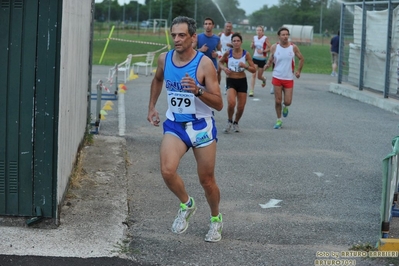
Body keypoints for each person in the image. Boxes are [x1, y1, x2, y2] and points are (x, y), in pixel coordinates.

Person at [147, 16, 224, 243]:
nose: (176, 40)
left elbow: (219, 104)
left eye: (182, 35)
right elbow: (157, 79)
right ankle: (187, 204)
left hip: (201, 127)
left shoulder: (204, 64)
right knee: (167, 170)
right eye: (174, 35)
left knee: (207, 180)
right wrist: (152, 106)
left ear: (193, 37)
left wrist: (198, 91)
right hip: (175, 125)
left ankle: (216, 219)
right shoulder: (164, 59)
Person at [264, 26, 304, 129]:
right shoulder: (274, 47)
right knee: (278, 101)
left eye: (287, 35)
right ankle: (279, 120)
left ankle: (285, 107)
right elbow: (271, 58)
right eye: (283, 35)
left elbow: (301, 58)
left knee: (288, 101)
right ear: (279, 36)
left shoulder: (293, 47)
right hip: (277, 76)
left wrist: (298, 71)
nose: (285, 37)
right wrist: (267, 64)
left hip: (288, 78)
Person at [218, 32, 256, 133]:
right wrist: (224, 68)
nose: (236, 43)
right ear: (232, 42)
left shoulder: (246, 54)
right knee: (231, 103)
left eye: (238, 41)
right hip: (231, 80)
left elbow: (254, 69)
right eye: (234, 41)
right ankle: (229, 121)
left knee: (241, 106)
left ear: (241, 42)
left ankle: (236, 122)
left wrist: (246, 66)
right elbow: (220, 62)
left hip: (242, 81)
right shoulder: (228, 53)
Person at [249, 25, 270, 97]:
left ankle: (264, 79)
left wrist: (263, 51)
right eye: (257, 30)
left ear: (263, 32)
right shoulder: (254, 38)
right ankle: (251, 90)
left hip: (262, 58)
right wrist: (252, 45)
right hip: (255, 57)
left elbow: (270, 48)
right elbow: (251, 47)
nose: (258, 32)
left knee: (259, 76)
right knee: (253, 74)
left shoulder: (265, 38)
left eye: (260, 30)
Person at [217, 21, 233, 92]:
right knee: (218, 71)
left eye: (230, 27)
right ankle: (217, 86)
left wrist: (231, 45)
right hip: (222, 54)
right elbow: (217, 44)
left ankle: (227, 86)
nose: (228, 28)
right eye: (227, 26)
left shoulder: (233, 36)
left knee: (228, 72)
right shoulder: (221, 35)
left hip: (229, 55)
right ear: (224, 27)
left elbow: (237, 45)